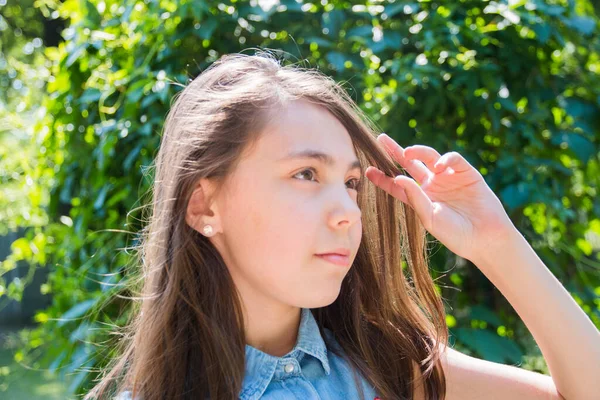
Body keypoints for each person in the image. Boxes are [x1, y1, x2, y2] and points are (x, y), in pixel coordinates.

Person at [84, 50, 600, 400]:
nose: (349, 211)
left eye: (352, 183)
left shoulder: (387, 371)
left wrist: (495, 243)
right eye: (306, 174)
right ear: (203, 207)